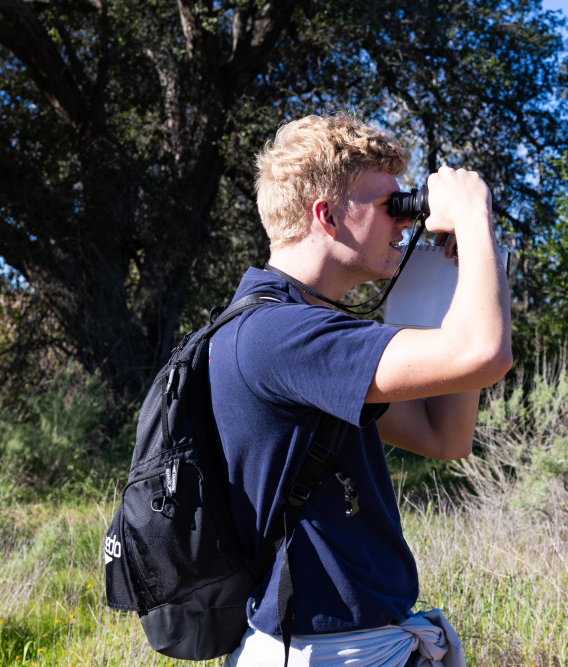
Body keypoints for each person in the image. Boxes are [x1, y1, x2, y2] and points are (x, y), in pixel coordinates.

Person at [210, 113, 512, 666]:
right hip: (327, 651)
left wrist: (455, 277)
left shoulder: (286, 330)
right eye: (388, 207)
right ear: (326, 216)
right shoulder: (283, 337)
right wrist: (473, 215)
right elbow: (486, 353)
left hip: (343, 645)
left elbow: (444, 437)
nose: (405, 222)